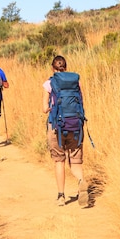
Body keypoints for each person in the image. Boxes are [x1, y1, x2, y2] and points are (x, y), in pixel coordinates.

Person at [42, 55, 89, 207]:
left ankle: (61, 196)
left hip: (57, 126)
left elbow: (44, 109)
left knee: (59, 160)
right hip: (75, 125)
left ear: (52, 68)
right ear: (66, 67)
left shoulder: (49, 83)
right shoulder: (76, 82)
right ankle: (82, 181)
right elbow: (81, 101)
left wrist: (52, 108)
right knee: (75, 161)